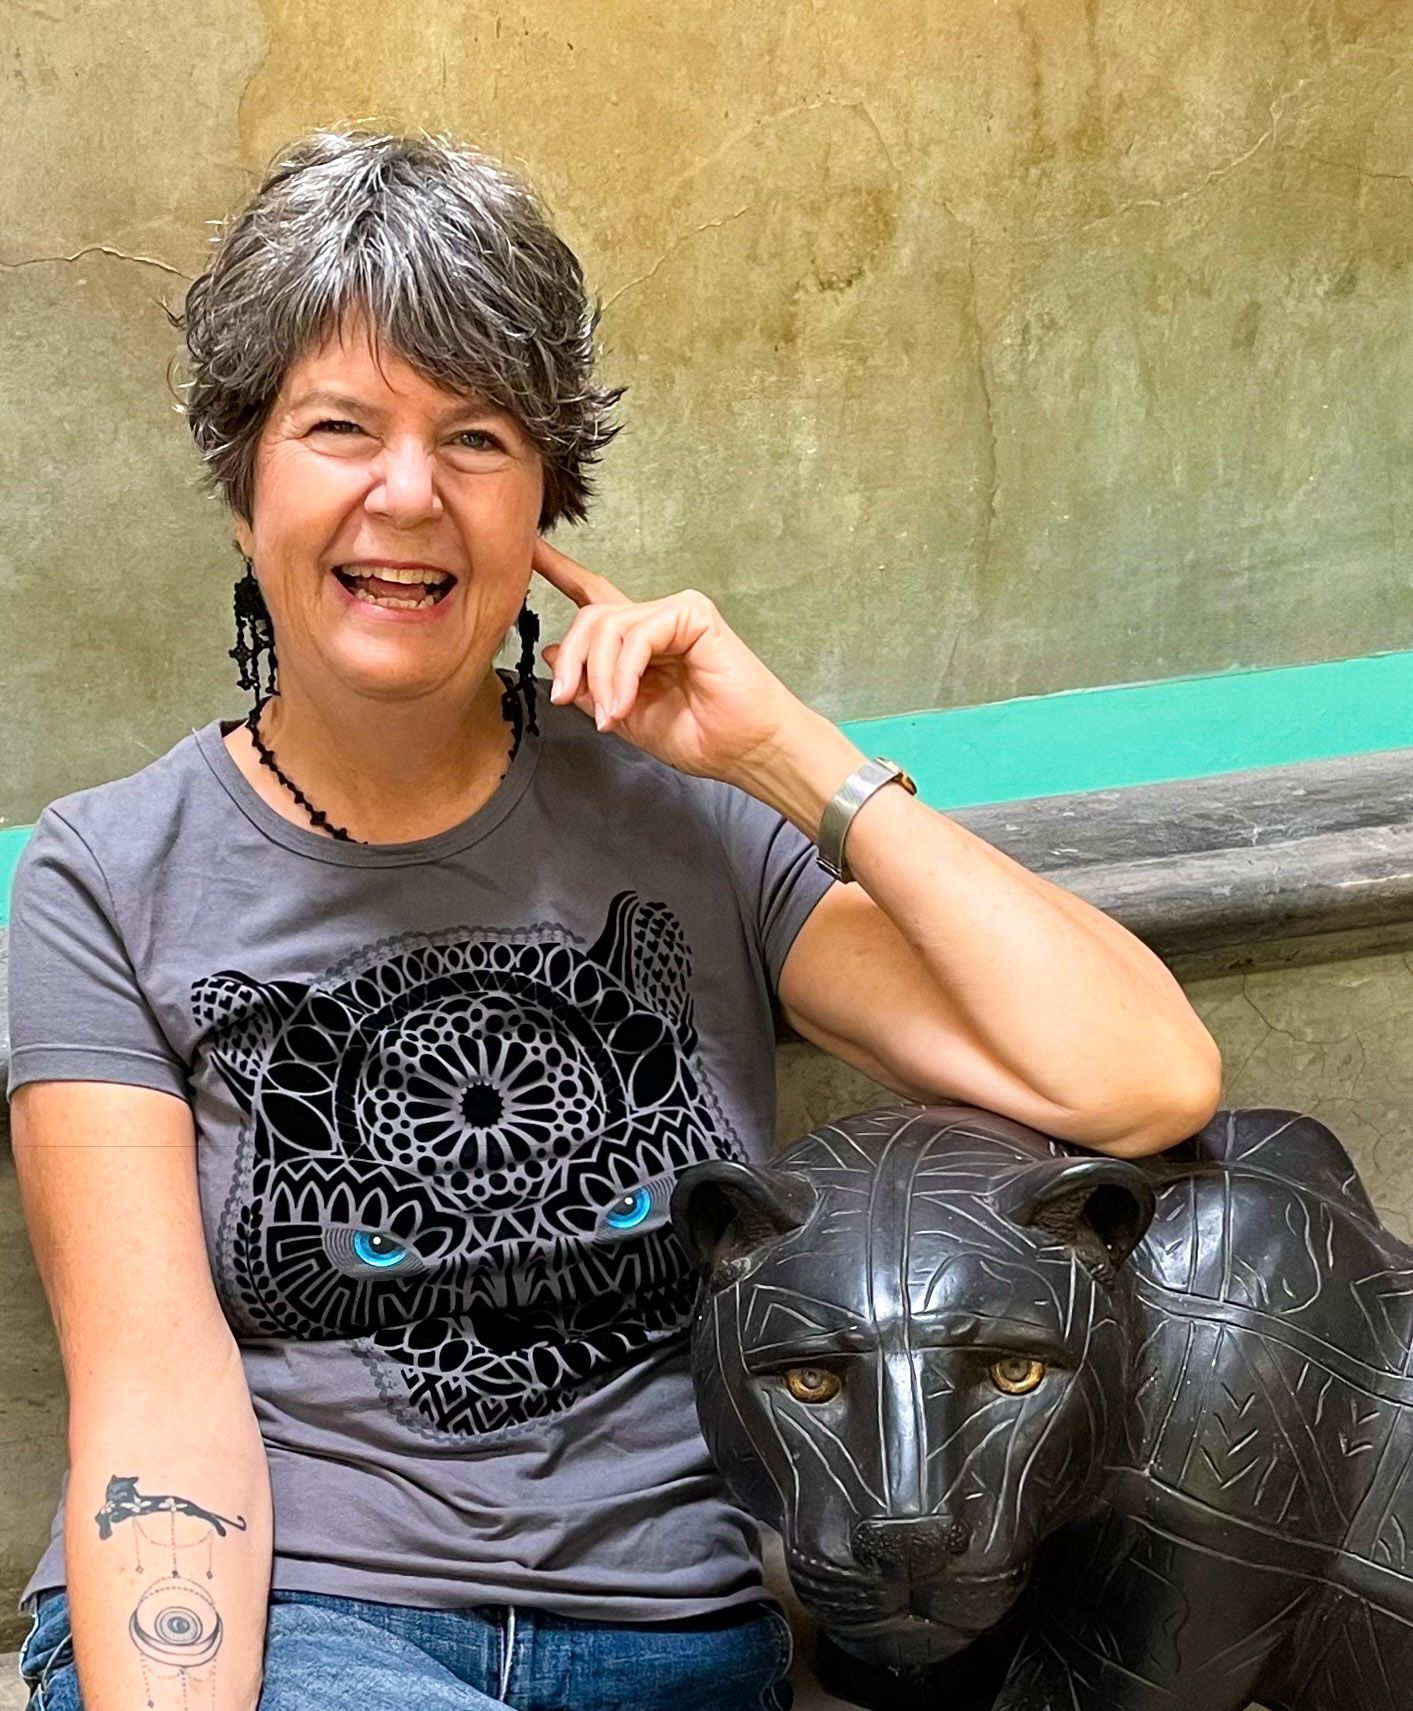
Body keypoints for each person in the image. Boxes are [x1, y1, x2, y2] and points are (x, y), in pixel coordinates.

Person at [5, 128, 1222, 1711]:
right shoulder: (107, 873)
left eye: (476, 439)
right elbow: (157, 1407)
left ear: (543, 510)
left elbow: (1138, 1077)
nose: (406, 494)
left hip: (677, 1642)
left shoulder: (686, 822)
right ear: (245, 490)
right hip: (306, 1620)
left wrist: (790, 755)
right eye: (338, 426)